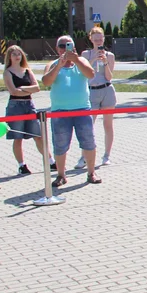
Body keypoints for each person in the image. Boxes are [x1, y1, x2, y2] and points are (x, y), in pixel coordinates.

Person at [42, 35, 101, 186]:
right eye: (61, 45)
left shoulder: (81, 62)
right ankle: (61, 175)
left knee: (88, 142)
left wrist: (76, 60)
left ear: (74, 48)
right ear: (57, 49)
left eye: (68, 45)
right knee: (60, 144)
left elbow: (90, 74)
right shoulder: (52, 64)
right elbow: (46, 82)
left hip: (82, 109)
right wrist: (59, 66)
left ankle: (91, 172)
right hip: (60, 111)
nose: (64, 48)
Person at [76, 27, 116, 169]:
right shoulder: (85, 54)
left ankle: (106, 156)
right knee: (88, 125)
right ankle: (84, 157)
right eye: (95, 39)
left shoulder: (110, 55)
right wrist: (94, 58)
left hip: (106, 90)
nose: (98, 42)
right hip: (91, 91)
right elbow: (84, 71)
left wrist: (105, 61)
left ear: (104, 39)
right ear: (91, 39)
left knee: (108, 124)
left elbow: (109, 77)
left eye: (101, 39)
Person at [2, 44, 44, 175]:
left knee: (38, 135)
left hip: (29, 104)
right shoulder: (7, 72)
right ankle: (22, 165)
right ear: (9, 57)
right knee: (18, 136)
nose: (16, 56)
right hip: (15, 106)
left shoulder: (27, 70)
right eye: (13, 54)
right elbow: (13, 91)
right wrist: (23, 89)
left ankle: (51, 161)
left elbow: (37, 88)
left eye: (18, 54)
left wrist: (23, 89)